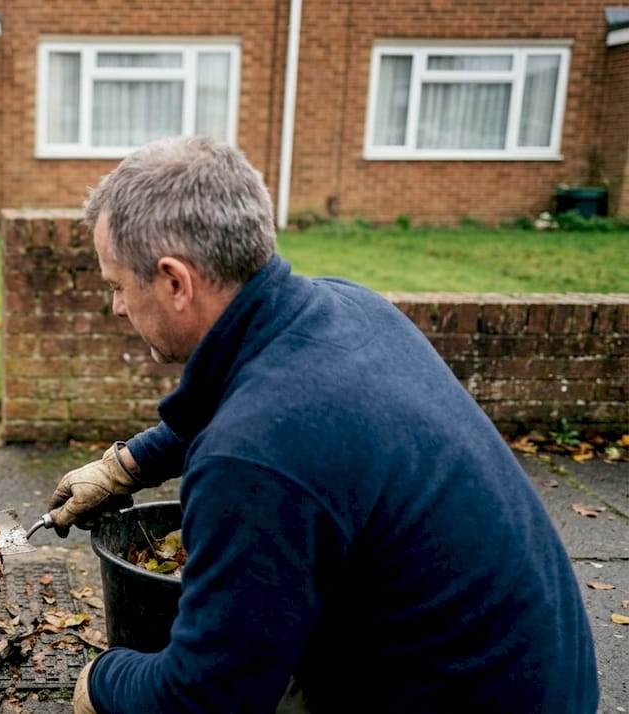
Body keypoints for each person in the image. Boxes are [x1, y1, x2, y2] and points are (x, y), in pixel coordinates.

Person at [48, 135, 598, 713]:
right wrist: (125, 467)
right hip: (540, 674)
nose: (116, 307)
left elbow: (203, 697)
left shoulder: (252, 457)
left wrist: (101, 682)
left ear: (175, 282)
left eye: (117, 286)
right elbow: (241, 404)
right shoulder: (347, 308)